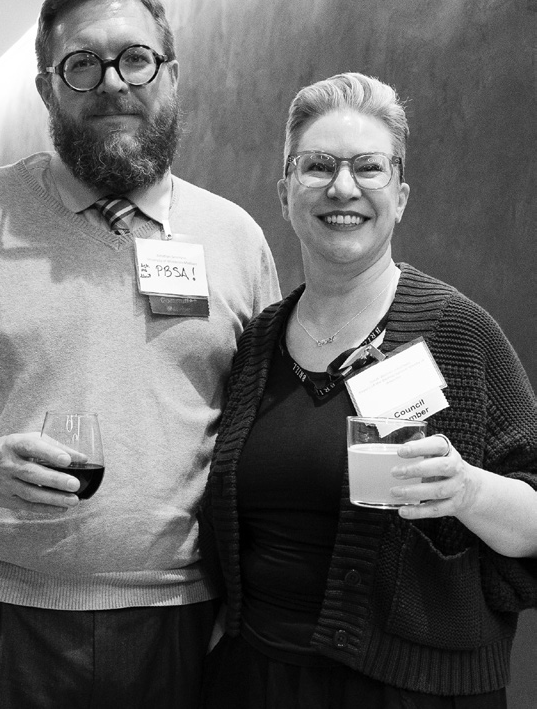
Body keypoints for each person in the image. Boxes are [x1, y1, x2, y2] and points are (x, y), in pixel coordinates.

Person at [0, 0, 280, 709]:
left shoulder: (235, 238)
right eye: (82, 64)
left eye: (136, 59)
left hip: (182, 631)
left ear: (171, 75)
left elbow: (257, 426)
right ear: (47, 89)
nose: (113, 83)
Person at [198, 72, 537, 708]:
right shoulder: (257, 343)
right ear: (285, 194)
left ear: (400, 197)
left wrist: (467, 490)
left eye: (369, 167)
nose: (343, 187)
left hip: (414, 689)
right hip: (257, 678)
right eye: (318, 165)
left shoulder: (458, 333)